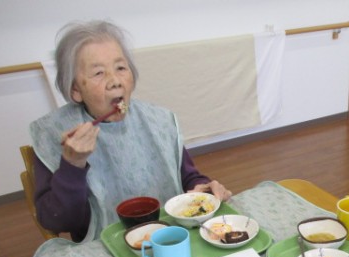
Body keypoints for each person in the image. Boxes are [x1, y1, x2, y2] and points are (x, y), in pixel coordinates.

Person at [30, 20, 232, 242]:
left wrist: (203, 190)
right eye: (98, 73)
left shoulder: (159, 120)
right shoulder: (53, 133)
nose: (115, 81)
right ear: (76, 89)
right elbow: (56, 221)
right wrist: (72, 165)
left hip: (170, 236)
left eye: (121, 68)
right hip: (104, 246)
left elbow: (188, 177)